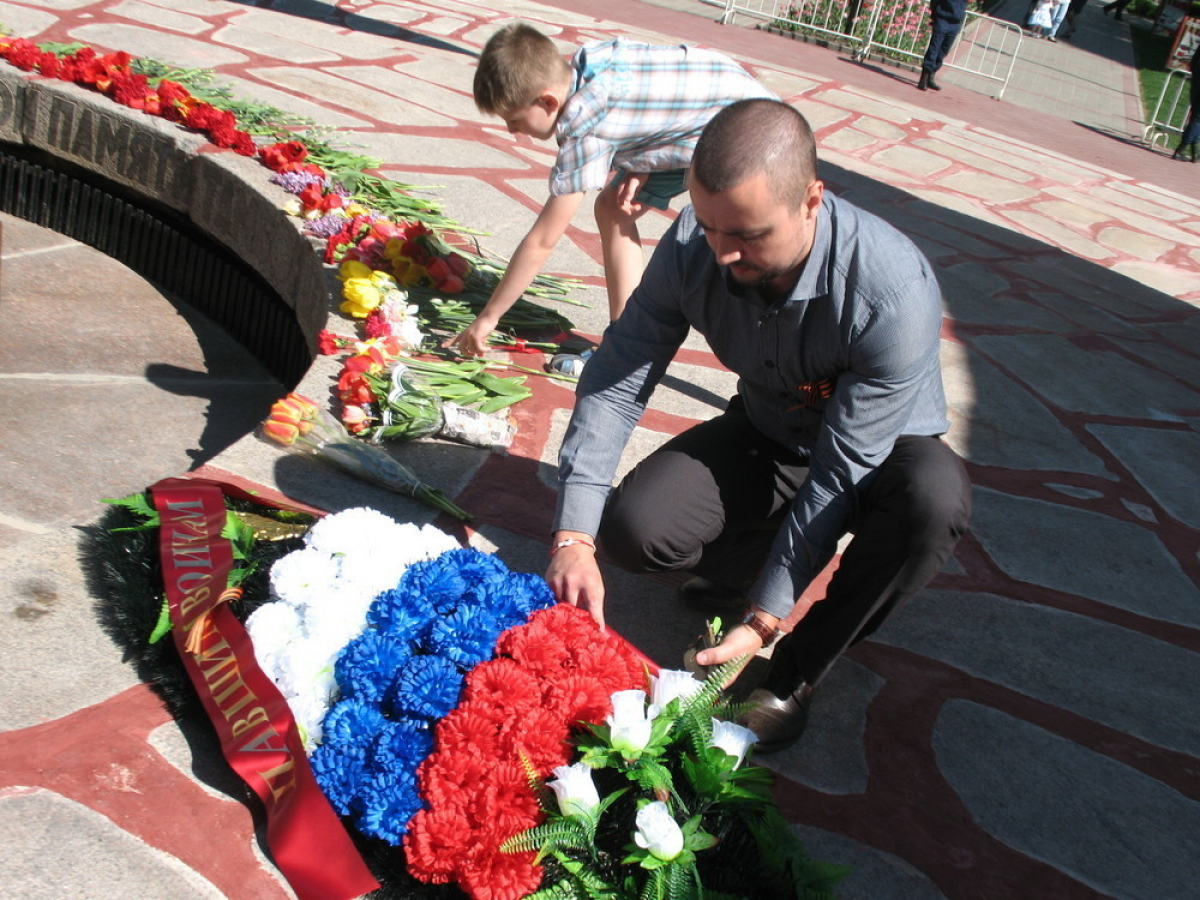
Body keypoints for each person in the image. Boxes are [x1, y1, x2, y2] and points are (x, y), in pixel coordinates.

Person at [545, 99, 972, 754]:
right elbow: (620, 373)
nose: (722, 253)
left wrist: (768, 620)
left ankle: (797, 673)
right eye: (711, 227)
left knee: (931, 503)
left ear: (811, 201)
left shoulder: (889, 289)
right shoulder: (698, 241)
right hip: (773, 428)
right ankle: (744, 566)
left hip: (880, 450)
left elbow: (840, 475)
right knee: (635, 529)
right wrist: (575, 533)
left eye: (747, 235)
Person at [450, 23, 774, 373]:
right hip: (726, 98)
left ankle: (774, 350)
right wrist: (642, 158)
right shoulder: (590, 63)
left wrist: (489, 316)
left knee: (736, 250)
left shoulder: (583, 125)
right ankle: (627, 345)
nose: (513, 132)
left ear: (547, 101)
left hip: (747, 133)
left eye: (514, 120)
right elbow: (645, 103)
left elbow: (544, 239)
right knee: (612, 206)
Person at [918, 0, 969, 91]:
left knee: (943, 51)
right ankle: (924, 78)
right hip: (942, 19)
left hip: (955, 22)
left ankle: (931, 76)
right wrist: (935, 16)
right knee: (934, 49)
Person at [1172, 43, 1200, 162]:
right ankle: (1181, 149)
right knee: (1198, 118)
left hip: (1197, 80)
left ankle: (1195, 152)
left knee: (1196, 115)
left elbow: (1195, 59)